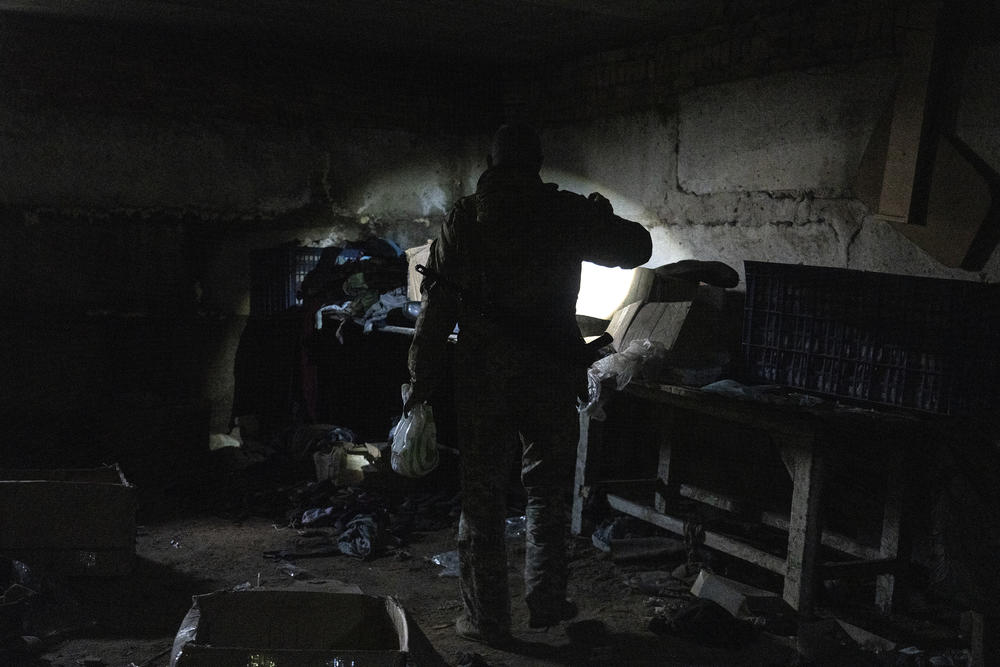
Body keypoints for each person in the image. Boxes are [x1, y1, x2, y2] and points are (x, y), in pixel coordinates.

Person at [406, 123, 652, 646]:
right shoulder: (563, 212)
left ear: (491, 164)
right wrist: (599, 215)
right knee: (546, 492)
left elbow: (436, 311)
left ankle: (487, 620)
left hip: (483, 378)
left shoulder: (468, 216)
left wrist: (418, 386)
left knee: (483, 500)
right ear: (537, 164)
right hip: (550, 371)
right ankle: (545, 601)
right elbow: (638, 248)